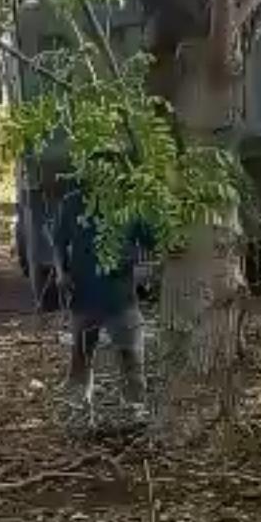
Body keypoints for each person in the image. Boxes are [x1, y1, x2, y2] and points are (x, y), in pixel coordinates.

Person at [54, 178, 151, 428]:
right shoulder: (73, 203)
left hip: (121, 296)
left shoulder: (129, 204)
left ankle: (135, 410)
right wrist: (61, 273)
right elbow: (58, 241)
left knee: (131, 355)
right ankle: (79, 410)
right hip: (83, 296)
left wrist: (145, 264)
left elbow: (151, 240)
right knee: (81, 356)